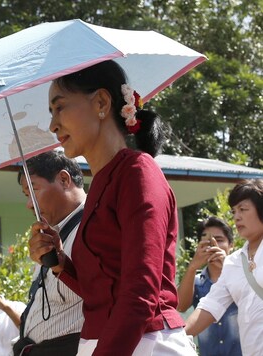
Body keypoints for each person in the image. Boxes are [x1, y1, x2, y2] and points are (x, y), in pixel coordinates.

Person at [29, 60, 196, 355]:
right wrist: (59, 263)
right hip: (104, 342)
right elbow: (102, 292)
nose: (53, 125)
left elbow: (140, 294)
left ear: (101, 102)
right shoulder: (101, 185)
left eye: (60, 107)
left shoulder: (137, 173)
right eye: (51, 113)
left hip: (145, 342)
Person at [13, 151, 85, 355]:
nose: (29, 205)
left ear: (63, 179)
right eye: (27, 196)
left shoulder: (95, 225)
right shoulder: (50, 236)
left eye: (33, 191)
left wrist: (60, 265)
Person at [185, 179, 263, 355]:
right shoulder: (233, 263)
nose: (236, 217)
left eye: (243, 209)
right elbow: (211, 305)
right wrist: (177, 336)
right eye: (234, 211)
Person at [177, 217, 241, 355]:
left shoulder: (243, 276)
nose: (213, 246)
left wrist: (228, 267)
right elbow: (180, 306)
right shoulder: (196, 281)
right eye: (207, 241)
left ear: (231, 245)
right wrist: (193, 266)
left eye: (219, 240)